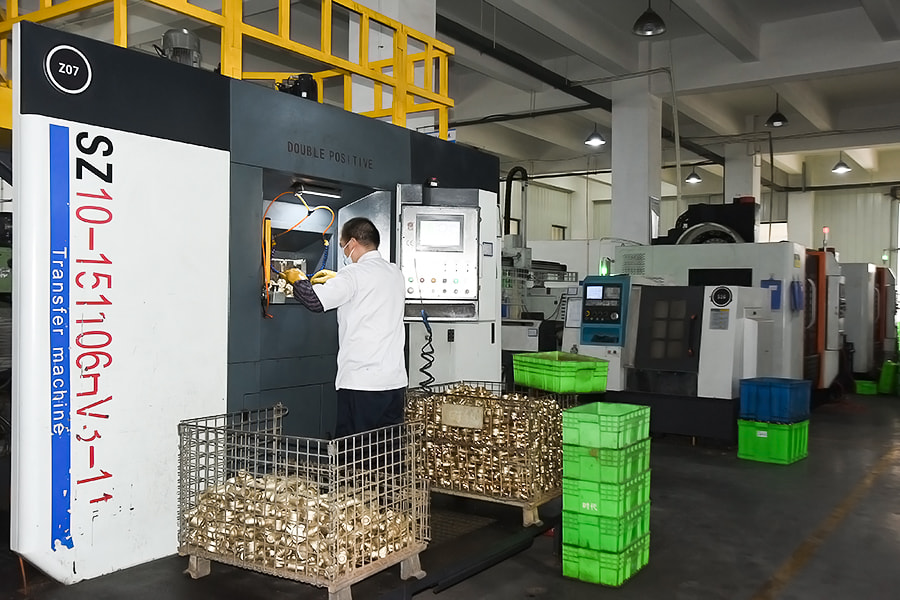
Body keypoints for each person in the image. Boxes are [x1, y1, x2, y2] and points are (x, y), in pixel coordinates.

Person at [283, 217, 408, 439]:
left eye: (342, 246)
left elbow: (314, 301)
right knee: (387, 450)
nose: (344, 251)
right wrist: (338, 280)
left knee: (355, 451)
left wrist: (297, 279)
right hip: (394, 383)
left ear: (352, 243)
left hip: (361, 384)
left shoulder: (352, 275)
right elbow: (367, 290)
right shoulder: (394, 273)